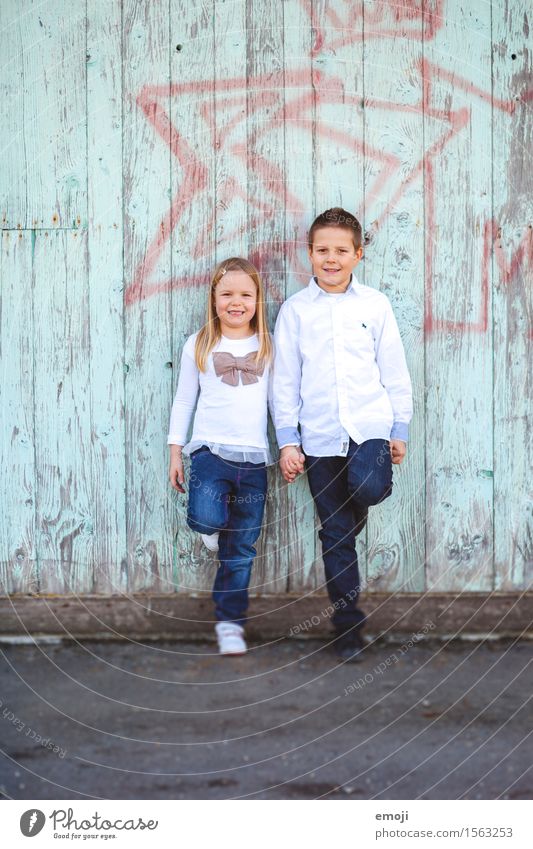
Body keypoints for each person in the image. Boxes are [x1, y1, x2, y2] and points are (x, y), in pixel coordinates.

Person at [272, 208, 413, 662]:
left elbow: (394, 371)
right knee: (335, 534)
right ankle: (347, 627)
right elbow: (285, 381)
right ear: (309, 253)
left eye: (340, 251)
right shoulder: (295, 311)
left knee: (369, 487)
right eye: (321, 250)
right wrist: (288, 440)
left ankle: (354, 515)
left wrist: (399, 427)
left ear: (358, 254)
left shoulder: (375, 305)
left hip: (369, 427)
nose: (330, 259)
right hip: (317, 436)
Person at [168, 257, 273, 656]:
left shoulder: (266, 344)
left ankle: (230, 623)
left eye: (245, 294)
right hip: (210, 452)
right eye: (227, 293)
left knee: (243, 549)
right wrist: (176, 451)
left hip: (255, 460)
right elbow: (183, 401)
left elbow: (279, 404)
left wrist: (288, 447)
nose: (236, 302)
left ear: (257, 300)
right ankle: (210, 531)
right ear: (213, 299)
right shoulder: (200, 343)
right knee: (206, 516)